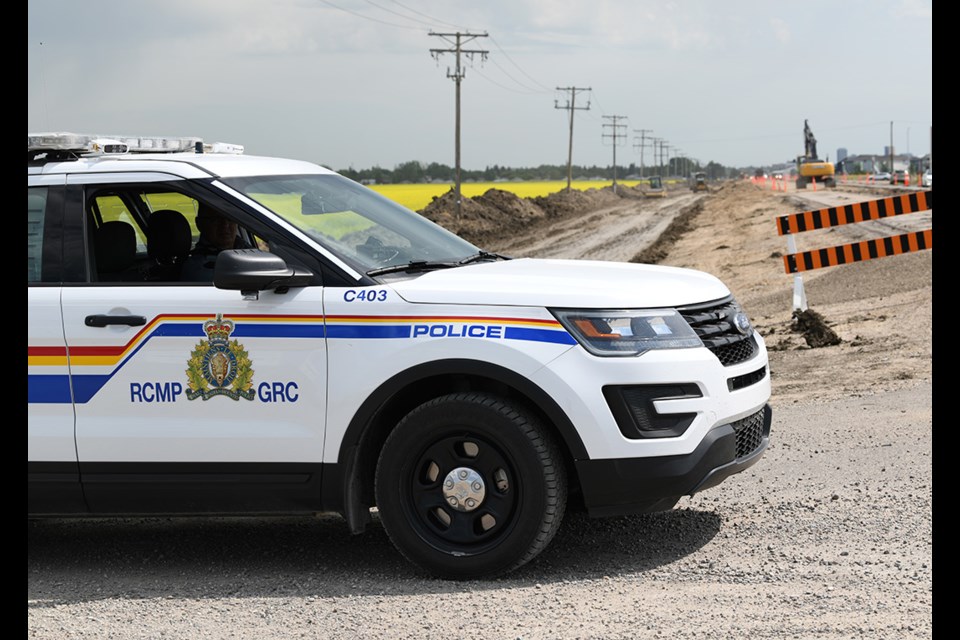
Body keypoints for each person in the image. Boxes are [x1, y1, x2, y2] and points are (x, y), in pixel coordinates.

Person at [181, 204, 250, 281]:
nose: (225, 225)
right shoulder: (199, 267)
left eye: (230, 218)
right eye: (216, 219)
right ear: (199, 224)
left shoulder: (244, 247)